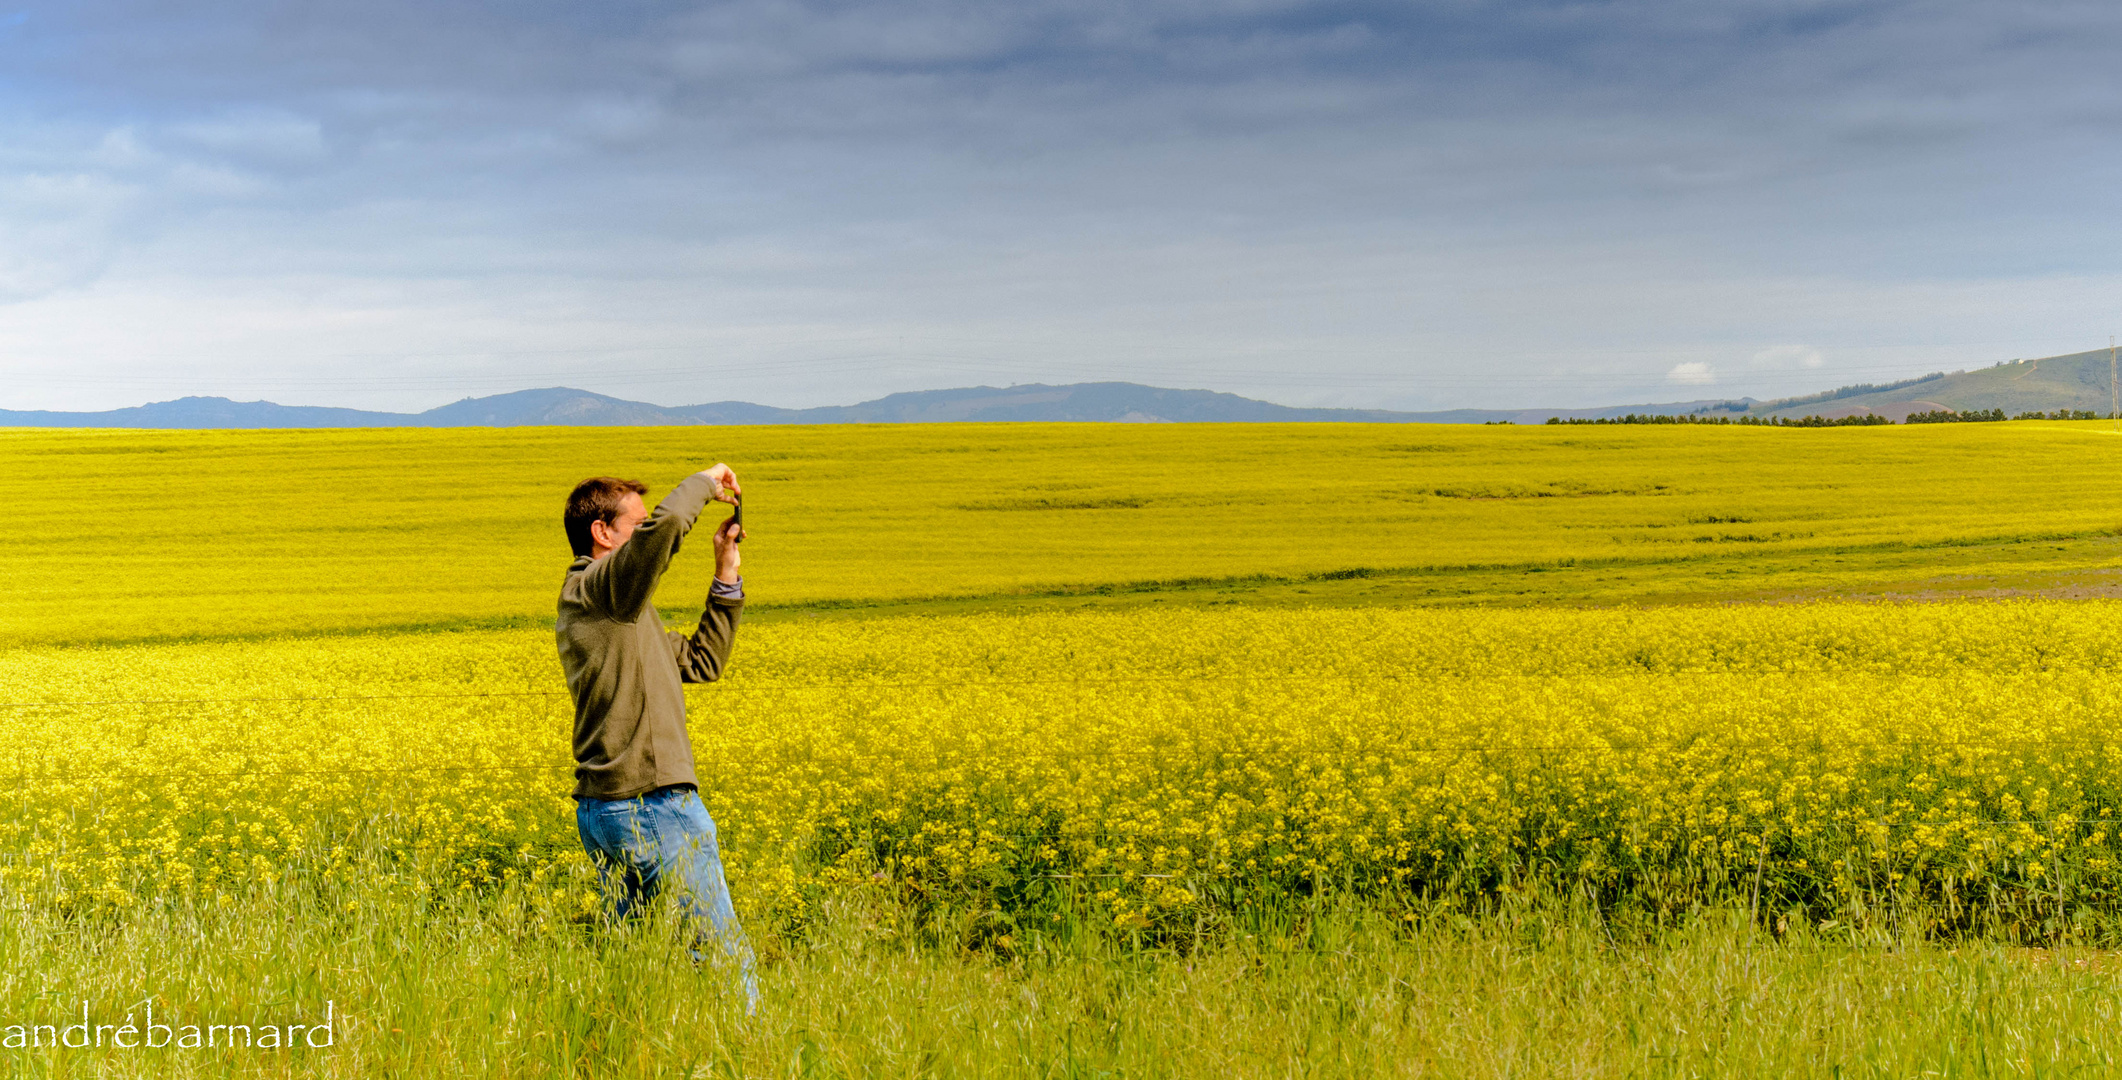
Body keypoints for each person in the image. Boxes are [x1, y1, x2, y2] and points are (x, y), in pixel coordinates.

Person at [556, 465, 757, 1010]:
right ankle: (752, 1058)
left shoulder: (622, 612)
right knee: (724, 960)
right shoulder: (598, 591)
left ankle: (631, 1054)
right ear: (603, 533)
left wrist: (726, 573)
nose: (646, 533)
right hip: (651, 803)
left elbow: (701, 661)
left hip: (612, 808)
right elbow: (666, 529)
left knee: (640, 970)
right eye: (635, 526)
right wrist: (705, 482)